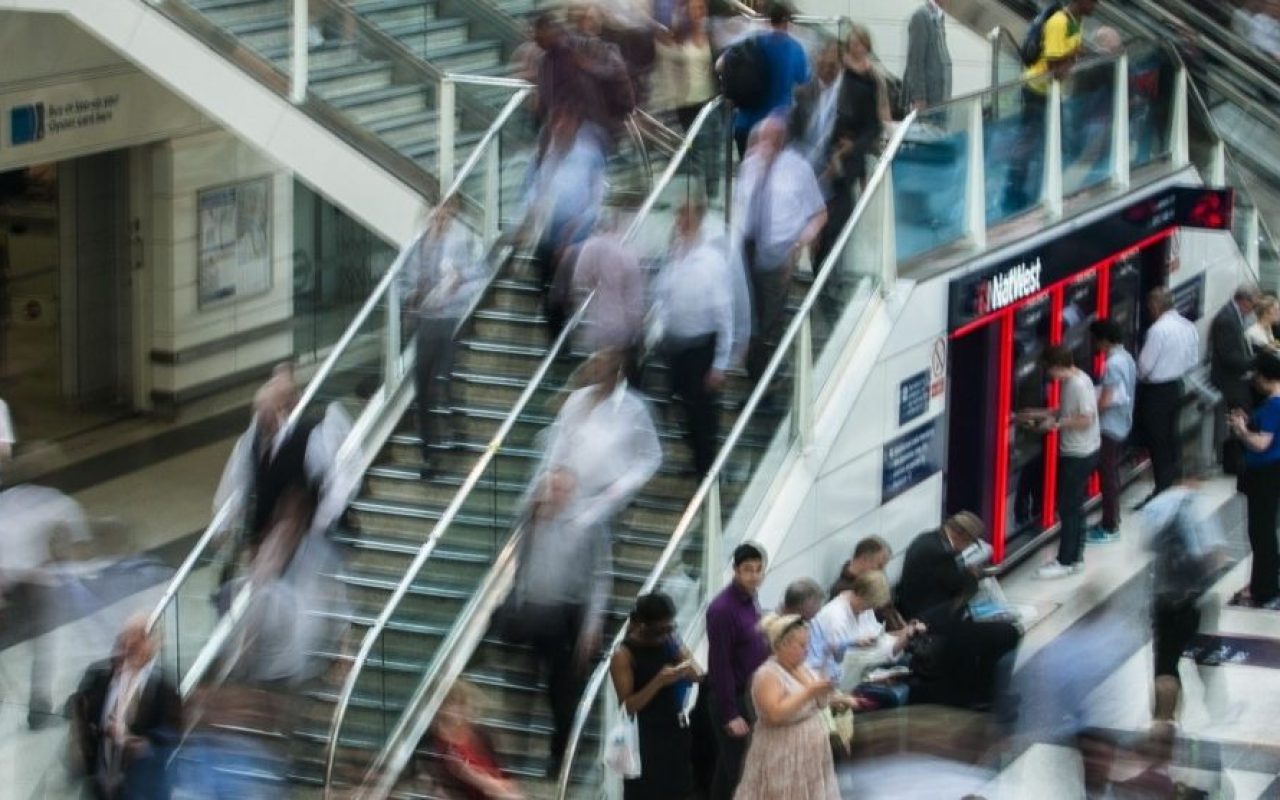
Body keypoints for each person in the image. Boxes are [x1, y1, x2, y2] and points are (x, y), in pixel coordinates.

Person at [734, 116, 827, 388]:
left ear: (782, 140)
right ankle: (756, 376)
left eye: (772, 138)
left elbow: (819, 213)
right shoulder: (749, 166)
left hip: (780, 252)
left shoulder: (798, 169)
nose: (766, 144)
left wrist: (800, 244)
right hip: (748, 249)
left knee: (770, 321)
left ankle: (767, 381)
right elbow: (740, 206)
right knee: (750, 317)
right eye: (763, 138)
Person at [895, 512, 1021, 709]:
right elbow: (960, 585)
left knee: (990, 632)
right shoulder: (940, 554)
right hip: (935, 624)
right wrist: (973, 575)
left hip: (931, 616)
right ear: (962, 536)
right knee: (1007, 633)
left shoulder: (927, 540)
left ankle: (985, 693)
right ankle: (984, 695)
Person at [400, 196, 486, 478]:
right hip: (426, 322)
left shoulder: (462, 242)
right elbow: (403, 280)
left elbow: (479, 273)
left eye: (444, 217)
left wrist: (457, 285)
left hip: (450, 320)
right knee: (423, 386)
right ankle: (429, 454)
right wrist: (412, 297)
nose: (438, 222)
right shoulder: (418, 245)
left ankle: (456, 427)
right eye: (435, 216)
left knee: (446, 379)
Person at [652, 191, 736, 478]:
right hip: (675, 344)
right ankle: (697, 460)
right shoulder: (674, 254)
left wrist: (720, 363)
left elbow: (724, 312)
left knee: (701, 412)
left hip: (702, 346)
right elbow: (662, 294)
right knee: (681, 406)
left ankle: (707, 468)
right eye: (678, 214)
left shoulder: (711, 260)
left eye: (686, 214)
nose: (680, 221)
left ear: (698, 218)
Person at [732, 613, 846, 800]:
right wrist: (810, 691)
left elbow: (816, 701)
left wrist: (836, 697)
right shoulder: (767, 674)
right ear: (781, 645)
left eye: (807, 644)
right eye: (802, 645)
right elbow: (774, 714)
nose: (807, 650)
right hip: (783, 750)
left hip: (811, 752)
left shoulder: (803, 667)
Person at [1141, 484, 1228, 724]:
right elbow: (1215, 555)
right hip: (1194, 599)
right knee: (1206, 657)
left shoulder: (1154, 507)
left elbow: (1146, 546)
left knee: (1165, 662)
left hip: (1163, 598)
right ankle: (1218, 711)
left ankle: (1164, 718)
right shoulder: (1197, 506)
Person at [520, 107, 607, 340]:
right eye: (556, 123)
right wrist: (529, 212)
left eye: (565, 123)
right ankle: (555, 332)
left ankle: (564, 336)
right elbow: (529, 188)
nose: (559, 128)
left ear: (575, 126)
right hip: (545, 232)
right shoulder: (543, 154)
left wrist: (577, 229)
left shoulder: (589, 155)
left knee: (563, 286)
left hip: (575, 237)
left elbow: (596, 198)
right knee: (545, 284)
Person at [73, 614, 181, 800]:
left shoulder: (163, 689)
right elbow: (79, 713)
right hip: (100, 787)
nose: (130, 643)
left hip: (140, 790)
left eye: (139, 637)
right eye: (126, 636)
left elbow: (169, 741)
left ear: (154, 644)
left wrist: (131, 741)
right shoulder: (99, 676)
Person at [1004, 0, 1099, 212]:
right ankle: (1014, 193)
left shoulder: (1076, 22)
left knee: (1051, 142)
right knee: (1029, 142)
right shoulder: (1059, 23)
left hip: (1051, 93)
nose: (1096, 5)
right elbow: (1056, 70)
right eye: (1093, 1)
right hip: (1037, 91)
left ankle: (1042, 191)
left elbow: (1069, 56)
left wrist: (1075, 54)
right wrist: (1074, 55)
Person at [609, 592, 702, 800]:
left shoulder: (669, 642)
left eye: (669, 627)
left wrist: (681, 655)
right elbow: (628, 706)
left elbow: (698, 675)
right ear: (643, 625)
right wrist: (658, 682)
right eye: (661, 628)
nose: (666, 633)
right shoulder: (623, 655)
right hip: (644, 738)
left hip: (673, 730)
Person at [1019, 344, 1101, 578]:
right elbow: (1065, 410)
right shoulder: (1078, 379)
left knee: (1068, 508)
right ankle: (1075, 557)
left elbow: (1085, 418)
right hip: (1085, 451)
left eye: (1049, 370)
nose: (1049, 376)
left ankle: (1065, 560)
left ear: (1056, 366)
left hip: (1078, 454)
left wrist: (1055, 425)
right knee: (1074, 507)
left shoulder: (1076, 384)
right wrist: (1037, 413)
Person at [704, 542, 769, 800]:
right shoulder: (722, 610)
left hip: (750, 694)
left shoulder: (751, 598)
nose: (754, 576)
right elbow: (720, 665)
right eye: (747, 570)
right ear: (735, 571)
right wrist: (730, 713)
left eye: (758, 570)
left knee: (729, 765)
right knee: (742, 773)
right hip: (732, 697)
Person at [1135, 286, 1201, 501]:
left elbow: (1144, 366)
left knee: (1158, 440)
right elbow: (1193, 360)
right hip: (1177, 387)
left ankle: (1162, 487)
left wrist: (1141, 378)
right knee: (1172, 436)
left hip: (1157, 391)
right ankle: (1172, 480)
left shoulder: (1158, 330)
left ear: (1156, 306)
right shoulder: (1187, 326)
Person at [1227, 351, 1280, 607]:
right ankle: (1264, 582)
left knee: (1261, 531)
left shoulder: (1273, 405)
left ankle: (1263, 586)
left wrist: (1240, 431)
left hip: (1265, 473)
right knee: (1265, 529)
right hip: (1272, 471)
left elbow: (1261, 443)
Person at [807, 571, 920, 689]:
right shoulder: (837, 618)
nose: (868, 609)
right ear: (860, 594)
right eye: (868, 605)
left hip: (863, 667)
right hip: (840, 677)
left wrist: (906, 634)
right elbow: (838, 661)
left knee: (910, 664)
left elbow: (879, 639)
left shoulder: (862, 607)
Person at [723, 2, 810, 156]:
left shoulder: (750, 42)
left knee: (750, 174)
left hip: (745, 125)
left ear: (767, 20)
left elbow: (720, 65)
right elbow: (803, 80)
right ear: (786, 23)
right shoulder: (795, 48)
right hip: (774, 130)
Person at [414, 682, 525, 800]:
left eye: (464, 702)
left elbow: (507, 781)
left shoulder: (482, 733)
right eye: (454, 704)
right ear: (438, 709)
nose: (464, 709)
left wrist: (476, 778)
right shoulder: (432, 749)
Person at [1087, 319, 1137, 544]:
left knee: (1107, 476)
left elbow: (1106, 400)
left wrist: (1088, 411)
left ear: (1104, 340)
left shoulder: (1113, 364)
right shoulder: (1126, 357)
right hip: (1122, 423)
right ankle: (1111, 520)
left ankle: (1110, 525)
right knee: (1110, 473)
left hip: (1109, 427)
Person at [1210, 285, 1258, 475]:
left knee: (1240, 418)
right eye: (1252, 304)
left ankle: (1238, 462)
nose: (1252, 309)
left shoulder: (1234, 316)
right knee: (1237, 419)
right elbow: (1229, 356)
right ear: (1243, 301)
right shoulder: (1226, 319)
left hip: (1237, 379)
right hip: (1230, 381)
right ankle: (1233, 464)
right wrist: (1254, 362)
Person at [901, 0, 953, 112]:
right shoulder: (920, 16)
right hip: (926, 103)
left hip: (939, 100)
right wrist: (919, 98)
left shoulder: (938, 17)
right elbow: (915, 61)